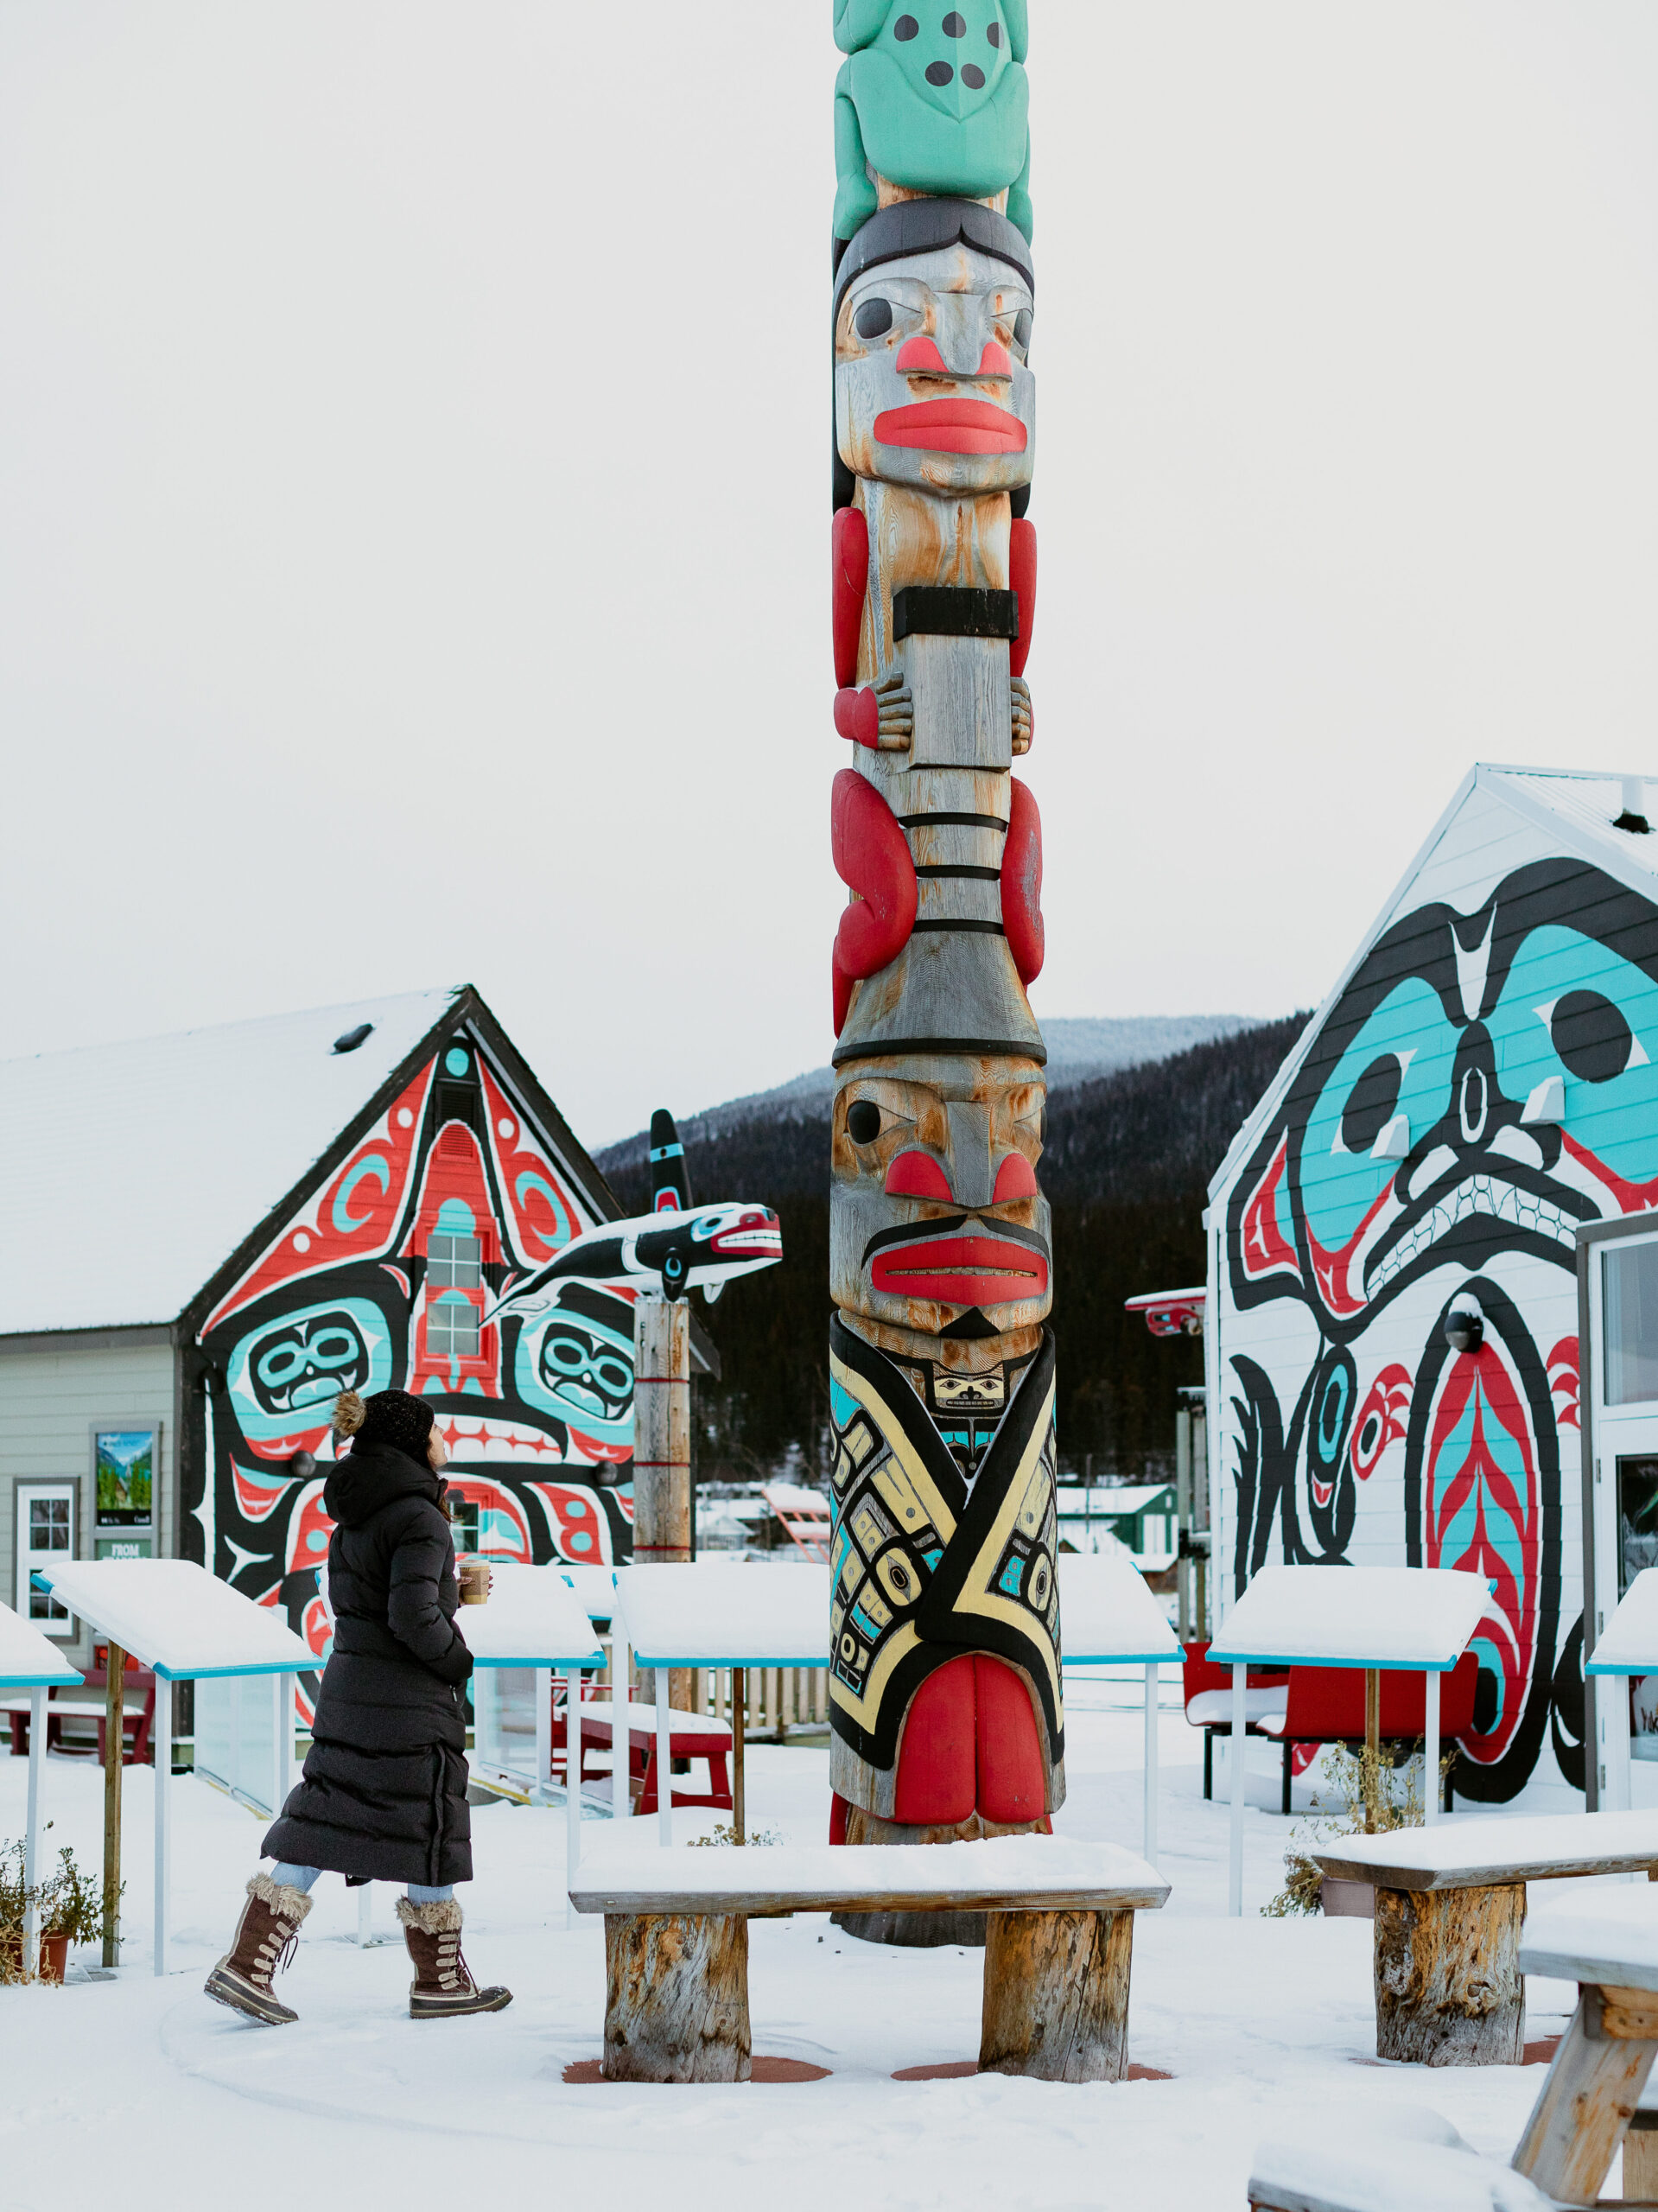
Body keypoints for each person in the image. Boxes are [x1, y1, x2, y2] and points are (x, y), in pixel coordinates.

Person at [205, 1386, 511, 2024]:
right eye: (433, 1431)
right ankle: (441, 1982)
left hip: (350, 1692)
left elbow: (373, 1598)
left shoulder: (358, 1510)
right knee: (430, 1825)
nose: (442, 1441)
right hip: (407, 1703)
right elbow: (409, 1615)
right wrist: (457, 1658)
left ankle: (246, 1963)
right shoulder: (421, 1515)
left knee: (327, 1820)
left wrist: (443, 1591)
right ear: (412, 1442)